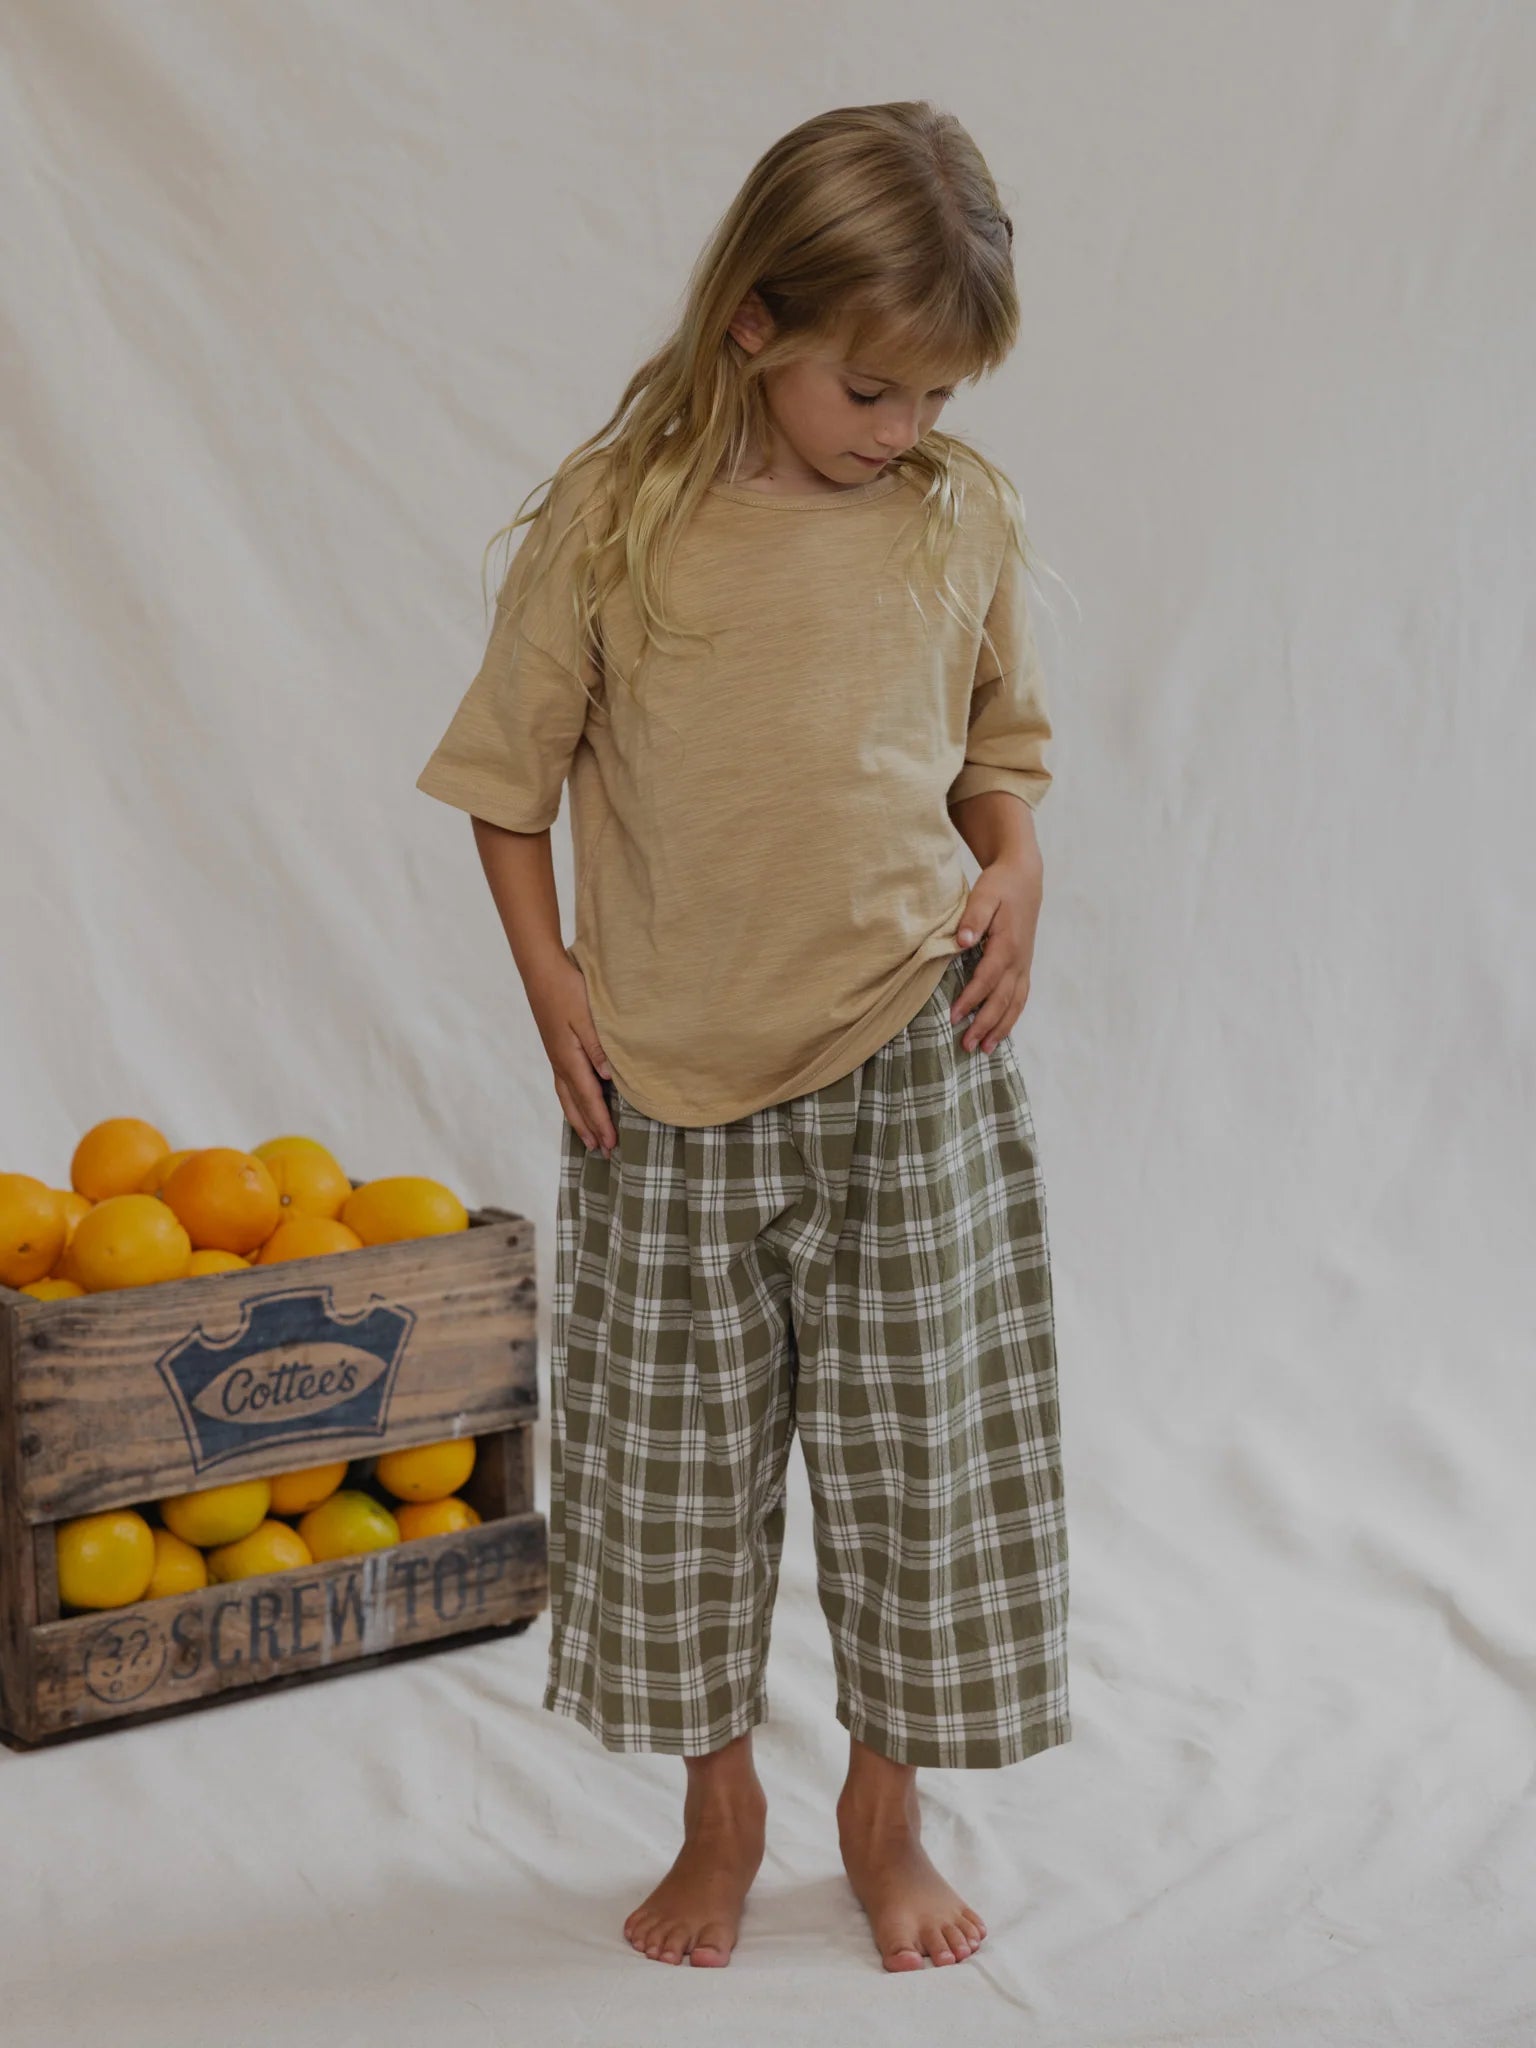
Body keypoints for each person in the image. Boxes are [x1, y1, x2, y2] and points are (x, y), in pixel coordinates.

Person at [415, 98, 1070, 1973]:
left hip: (908, 1063)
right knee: (679, 1475)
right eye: (876, 391)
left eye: (939, 396)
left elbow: (999, 768)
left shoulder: (963, 519)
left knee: (916, 1463)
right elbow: (505, 787)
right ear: (753, 329)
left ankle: (887, 1803)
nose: (909, 431)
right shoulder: (616, 528)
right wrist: (551, 981)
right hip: (673, 1091)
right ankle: (722, 1806)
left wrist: (1019, 873)